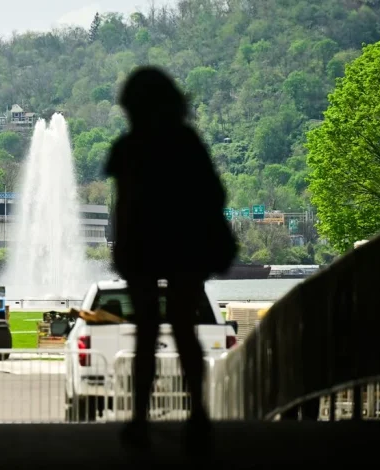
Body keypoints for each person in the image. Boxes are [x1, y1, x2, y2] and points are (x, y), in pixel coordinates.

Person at [106, 66, 237, 452]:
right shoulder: (186, 142)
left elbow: (123, 207)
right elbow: (215, 195)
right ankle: (198, 416)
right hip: (185, 248)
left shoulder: (128, 147)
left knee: (147, 334)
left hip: (144, 250)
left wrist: (122, 251)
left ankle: (139, 421)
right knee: (184, 331)